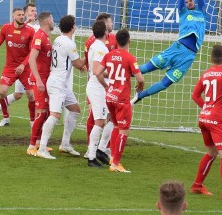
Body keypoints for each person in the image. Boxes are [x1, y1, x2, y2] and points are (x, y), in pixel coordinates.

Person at [132, 0, 206, 104]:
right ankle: (125, 73)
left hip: (189, 57)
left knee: (166, 84)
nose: (190, 2)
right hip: (177, 49)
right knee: (149, 67)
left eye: (191, 0)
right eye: (187, 1)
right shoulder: (183, 12)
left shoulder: (201, 13)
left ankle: (140, 96)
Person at [189, 45, 222, 201]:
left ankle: (197, 185)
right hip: (217, 119)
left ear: (211, 59)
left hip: (204, 118)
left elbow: (195, 95)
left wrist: (207, 107)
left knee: (211, 152)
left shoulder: (206, 73)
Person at [35, 15, 85, 159]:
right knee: (54, 115)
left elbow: (70, 61)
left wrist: (78, 64)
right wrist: (88, 55)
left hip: (60, 82)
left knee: (75, 109)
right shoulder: (69, 44)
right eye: (75, 24)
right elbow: (79, 64)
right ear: (72, 27)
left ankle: (65, 144)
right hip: (57, 83)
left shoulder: (57, 39)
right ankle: (42, 148)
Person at [95, 28, 145, 173]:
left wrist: (107, 86)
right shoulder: (130, 58)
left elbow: (97, 72)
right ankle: (116, 163)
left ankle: (112, 158)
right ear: (129, 41)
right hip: (122, 99)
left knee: (116, 126)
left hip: (110, 96)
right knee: (124, 131)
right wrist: (140, 86)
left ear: (115, 41)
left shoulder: (109, 55)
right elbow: (140, 78)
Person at [0, 3, 39, 126]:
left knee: (30, 95)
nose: (22, 16)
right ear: (13, 16)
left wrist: (23, 65)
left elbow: (32, 51)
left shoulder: (32, 30)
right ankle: (5, 118)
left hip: (26, 67)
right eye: (20, 15)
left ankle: (33, 121)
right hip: (11, 67)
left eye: (23, 15)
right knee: (4, 92)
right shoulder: (6, 28)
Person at [84, 13, 117, 162]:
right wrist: (106, 86)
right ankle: (91, 156)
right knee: (99, 121)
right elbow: (97, 71)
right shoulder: (100, 48)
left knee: (112, 117)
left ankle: (101, 149)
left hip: (98, 85)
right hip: (98, 87)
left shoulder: (95, 45)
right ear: (105, 32)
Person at [26, 11, 54, 156]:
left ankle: (38, 143)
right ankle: (31, 146)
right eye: (52, 19)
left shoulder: (46, 37)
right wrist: (38, 79)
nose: (54, 22)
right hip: (40, 80)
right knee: (42, 113)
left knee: (46, 112)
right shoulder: (39, 36)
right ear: (48, 21)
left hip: (45, 78)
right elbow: (31, 59)